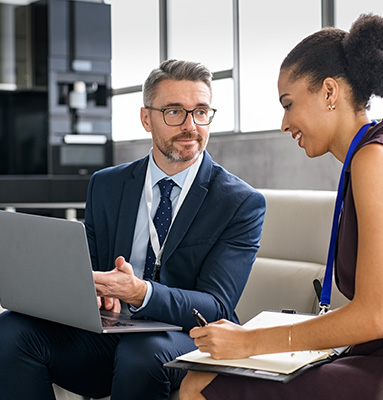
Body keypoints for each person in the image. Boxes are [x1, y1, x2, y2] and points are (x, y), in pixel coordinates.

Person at [0, 59, 266, 399]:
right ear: (146, 118)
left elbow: (216, 307)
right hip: (109, 333)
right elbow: (91, 268)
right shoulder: (106, 184)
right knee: (10, 330)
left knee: (141, 354)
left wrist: (140, 292)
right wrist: (93, 290)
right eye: (174, 112)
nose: (190, 125)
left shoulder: (240, 201)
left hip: (181, 337)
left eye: (201, 112)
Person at [179, 14, 383, 400]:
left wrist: (249, 342)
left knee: (200, 385)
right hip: (373, 353)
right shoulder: (367, 156)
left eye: (288, 104)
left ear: (329, 92)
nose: (284, 123)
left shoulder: (375, 158)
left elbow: (374, 318)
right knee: (199, 379)